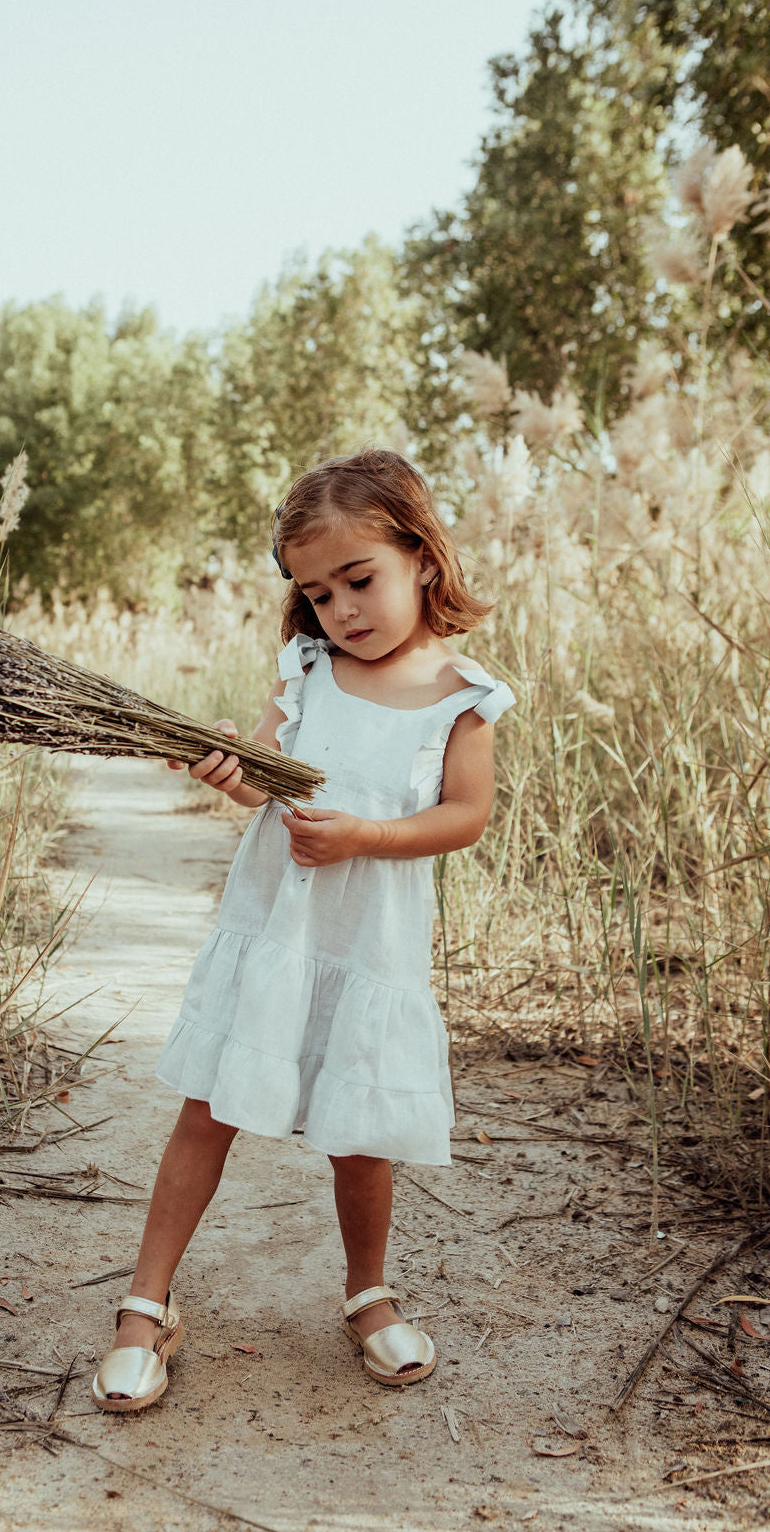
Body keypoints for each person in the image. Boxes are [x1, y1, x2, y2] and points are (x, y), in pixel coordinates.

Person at [91, 447, 515, 1412]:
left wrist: (367, 833)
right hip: (276, 931)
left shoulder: (462, 698)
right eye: (320, 595)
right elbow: (269, 772)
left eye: (360, 580)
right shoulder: (308, 672)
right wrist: (235, 774)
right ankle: (145, 1304)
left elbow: (466, 816)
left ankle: (368, 1292)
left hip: (369, 947)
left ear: (421, 556)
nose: (344, 610)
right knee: (210, 1107)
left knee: (358, 1132)